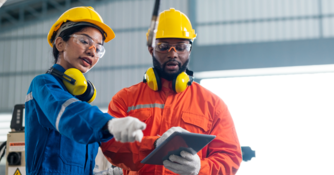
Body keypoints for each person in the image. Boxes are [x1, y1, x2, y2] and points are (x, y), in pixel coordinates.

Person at [101, 8, 243, 175]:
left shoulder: (213, 105)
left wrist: (200, 169)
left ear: (189, 50)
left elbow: (230, 157)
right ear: (151, 49)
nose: (173, 54)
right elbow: (111, 146)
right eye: (163, 46)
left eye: (181, 47)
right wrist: (153, 145)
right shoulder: (125, 100)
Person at [24, 6, 146, 175]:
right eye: (84, 41)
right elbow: (67, 114)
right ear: (60, 43)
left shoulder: (81, 104)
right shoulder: (44, 85)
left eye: (98, 48)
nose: (92, 51)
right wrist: (108, 123)